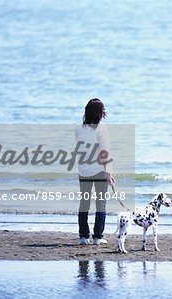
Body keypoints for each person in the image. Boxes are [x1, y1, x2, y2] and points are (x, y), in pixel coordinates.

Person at [75, 98, 115, 245]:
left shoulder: (78, 128)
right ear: (100, 112)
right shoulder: (102, 128)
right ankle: (97, 237)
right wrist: (109, 173)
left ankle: (83, 237)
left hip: (83, 169)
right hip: (99, 170)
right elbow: (105, 152)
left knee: (84, 203)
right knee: (101, 204)